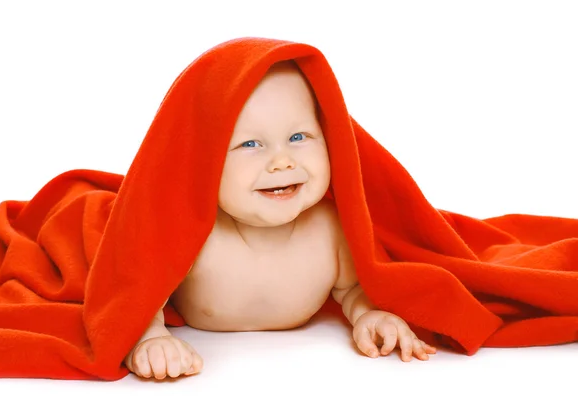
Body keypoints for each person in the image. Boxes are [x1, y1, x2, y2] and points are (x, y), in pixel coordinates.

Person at [123, 60, 437, 380]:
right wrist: (150, 338)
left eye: (299, 136)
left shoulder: (330, 229)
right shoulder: (190, 231)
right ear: (200, 159)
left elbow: (352, 288)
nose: (282, 161)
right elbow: (136, 297)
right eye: (250, 144)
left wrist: (369, 314)